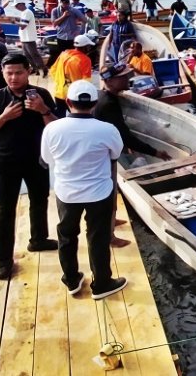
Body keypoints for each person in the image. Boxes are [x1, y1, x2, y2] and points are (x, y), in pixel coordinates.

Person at [41, 80, 128, 299]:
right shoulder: (107, 129)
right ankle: (102, 283)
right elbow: (115, 154)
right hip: (99, 192)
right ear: (94, 103)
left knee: (67, 236)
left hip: (66, 193)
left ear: (68, 102)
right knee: (98, 237)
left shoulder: (52, 128)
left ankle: (71, 280)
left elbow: (46, 159)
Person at [0, 54, 59, 280]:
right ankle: (4, 259)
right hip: (6, 161)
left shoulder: (41, 95)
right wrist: (4, 117)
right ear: (3, 73)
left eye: (18, 72)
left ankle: (38, 239)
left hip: (36, 159)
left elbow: (55, 128)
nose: (13, 77)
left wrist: (43, 109)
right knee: (5, 210)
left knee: (39, 199)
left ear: (28, 72)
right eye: (9, 73)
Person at [95, 63, 171, 247]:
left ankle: (111, 221)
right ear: (110, 81)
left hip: (105, 151)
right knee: (107, 195)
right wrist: (155, 152)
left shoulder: (103, 96)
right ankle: (109, 237)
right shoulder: (108, 104)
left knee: (110, 194)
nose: (126, 79)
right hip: (104, 156)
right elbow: (125, 136)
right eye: (122, 77)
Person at [50, 34, 94, 117]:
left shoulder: (64, 54)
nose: (89, 48)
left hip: (58, 92)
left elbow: (53, 70)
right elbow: (86, 81)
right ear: (84, 47)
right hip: (73, 95)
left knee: (59, 118)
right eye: (88, 46)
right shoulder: (85, 60)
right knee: (78, 118)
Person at [12, 0, 46, 77]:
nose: (16, 8)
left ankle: (43, 69)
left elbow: (23, 26)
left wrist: (15, 22)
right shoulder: (24, 13)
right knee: (27, 55)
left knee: (34, 55)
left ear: (21, 4)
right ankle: (35, 68)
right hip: (24, 38)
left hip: (29, 38)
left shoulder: (27, 12)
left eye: (16, 6)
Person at [50, 0, 86, 67]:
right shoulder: (55, 11)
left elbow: (84, 20)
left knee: (73, 55)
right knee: (63, 55)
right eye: (64, 3)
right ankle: (64, 69)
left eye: (67, 3)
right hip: (61, 37)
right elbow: (54, 23)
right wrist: (64, 16)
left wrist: (80, 31)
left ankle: (73, 68)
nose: (65, 5)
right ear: (60, 2)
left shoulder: (74, 10)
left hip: (72, 37)